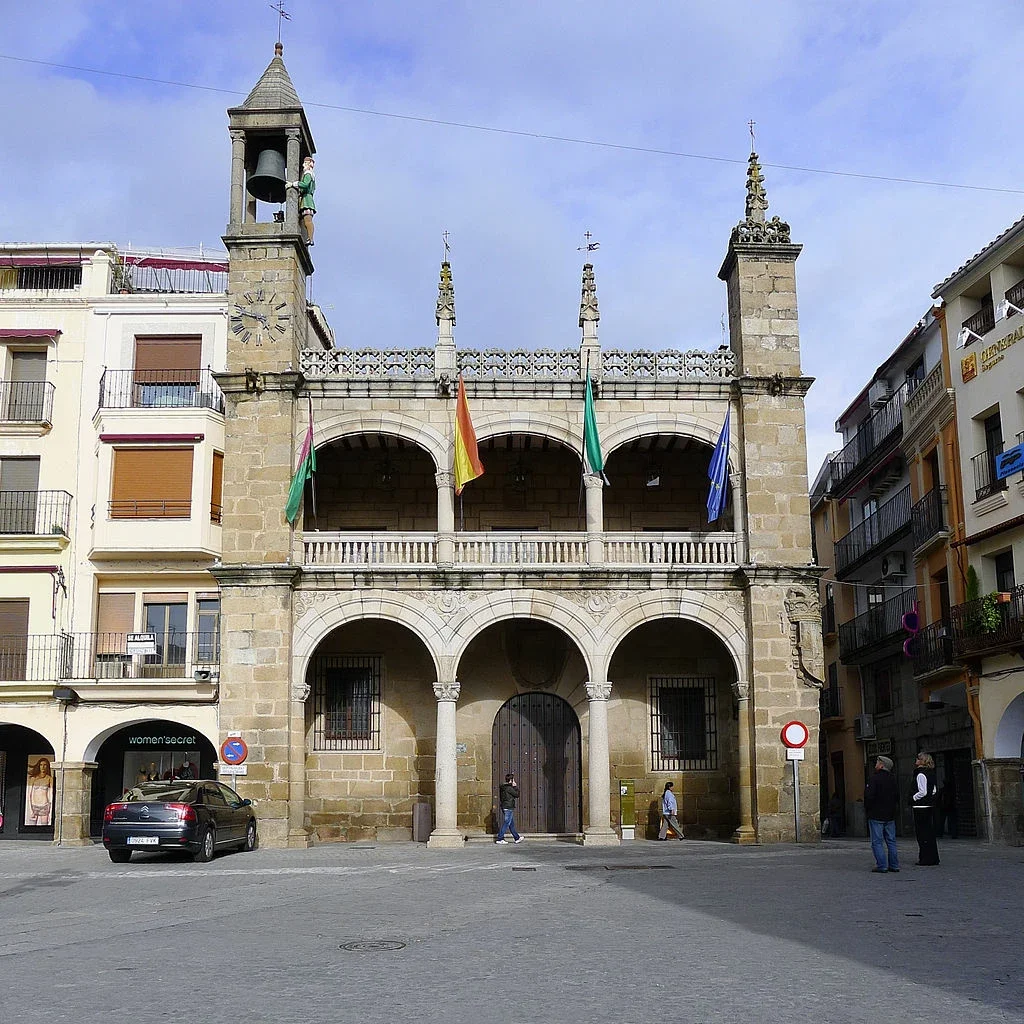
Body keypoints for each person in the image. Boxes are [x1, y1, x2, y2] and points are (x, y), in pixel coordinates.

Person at [863, 755, 899, 872]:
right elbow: (897, 796)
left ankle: (882, 865)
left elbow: (869, 796)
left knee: (877, 841)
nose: (876, 764)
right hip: (890, 814)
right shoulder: (893, 778)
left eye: (877, 762)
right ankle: (894, 865)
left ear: (882, 765)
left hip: (876, 814)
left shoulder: (874, 778)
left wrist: (868, 809)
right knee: (891, 840)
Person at [910, 751, 940, 866]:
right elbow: (934, 790)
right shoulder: (931, 773)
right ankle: (932, 857)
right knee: (929, 832)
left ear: (922, 761)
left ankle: (925, 858)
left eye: (918, 758)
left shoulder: (920, 774)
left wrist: (914, 797)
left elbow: (923, 791)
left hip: (920, 806)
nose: (916, 760)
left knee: (922, 833)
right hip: (929, 806)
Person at [287, 156, 316, 246]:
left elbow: (305, 184)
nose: (303, 165)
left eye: (305, 163)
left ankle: (310, 239)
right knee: (303, 220)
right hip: (305, 199)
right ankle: (308, 238)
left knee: (307, 220)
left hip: (307, 201)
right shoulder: (309, 174)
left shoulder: (308, 174)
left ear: (309, 164)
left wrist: (294, 184)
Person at [495, 772, 524, 844]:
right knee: (506, 823)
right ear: (511, 780)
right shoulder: (509, 788)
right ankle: (500, 838)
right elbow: (517, 795)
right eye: (513, 780)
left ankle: (517, 838)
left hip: (504, 806)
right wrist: (515, 787)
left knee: (511, 824)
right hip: (509, 807)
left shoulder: (503, 787)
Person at [26, 756, 54, 826]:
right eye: (41, 765)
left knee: (44, 826)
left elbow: (51, 794)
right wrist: (30, 809)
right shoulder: (33, 778)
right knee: (31, 826)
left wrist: (50, 812)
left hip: (44, 805)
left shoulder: (49, 778)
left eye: (45, 765)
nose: (43, 767)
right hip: (34, 805)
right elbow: (29, 794)